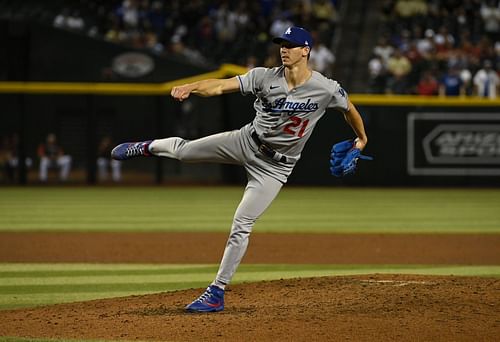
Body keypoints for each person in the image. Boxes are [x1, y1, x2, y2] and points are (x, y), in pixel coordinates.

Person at [111, 26, 369, 312]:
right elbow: (221, 86)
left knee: (241, 224)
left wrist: (362, 138)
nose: (284, 49)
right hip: (245, 141)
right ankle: (146, 146)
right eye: (281, 44)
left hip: (275, 168)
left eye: (291, 45)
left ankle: (216, 292)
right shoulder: (263, 76)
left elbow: (349, 109)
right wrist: (192, 87)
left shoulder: (325, 88)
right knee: (185, 151)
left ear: (305, 50)